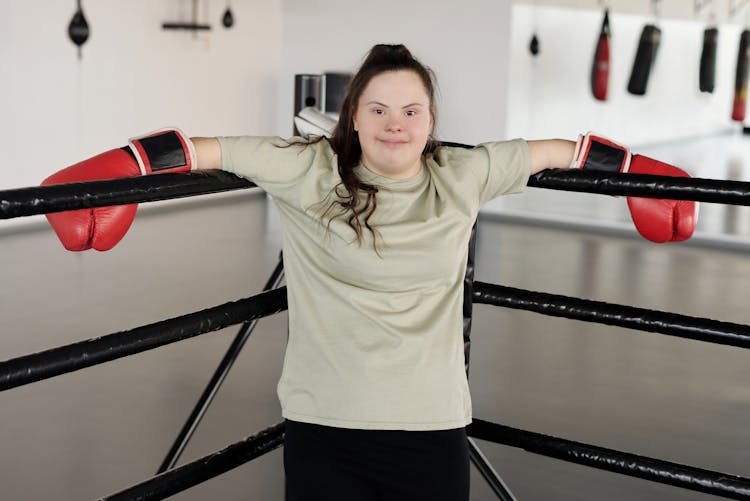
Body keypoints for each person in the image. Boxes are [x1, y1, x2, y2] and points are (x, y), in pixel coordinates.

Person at [41, 44, 696, 500]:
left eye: (411, 110)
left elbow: (568, 148)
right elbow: (197, 148)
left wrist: (639, 173)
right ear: (352, 115)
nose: (394, 123)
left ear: (432, 121)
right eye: (378, 108)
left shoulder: (462, 173)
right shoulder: (308, 168)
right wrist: (124, 163)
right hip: (326, 429)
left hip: (431, 432)